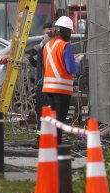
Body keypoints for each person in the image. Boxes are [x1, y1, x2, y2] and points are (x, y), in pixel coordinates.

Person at [42, 16, 80, 144]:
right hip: (61, 89)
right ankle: (56, 142)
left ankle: (50, 140)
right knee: (60, 118)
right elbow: (71, 68)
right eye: (70, 31)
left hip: (48, 88)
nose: (70, 34)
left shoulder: (47, 45)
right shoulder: (65, 46)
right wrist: (77, 62)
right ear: (65, 31)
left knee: (52, 116)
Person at [28, 22, 54, 140]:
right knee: (47, 113)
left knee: (43, 114)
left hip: (42, 84)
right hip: (45, 85)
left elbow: (33, 60)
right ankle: (45, 139)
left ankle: (42, 139)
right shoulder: (48, 44)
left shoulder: (44, 43)